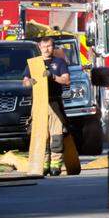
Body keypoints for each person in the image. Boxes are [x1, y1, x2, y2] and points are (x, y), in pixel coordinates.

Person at [22, 34, 71, 176]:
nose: (46, 49)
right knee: (41, 135)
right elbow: (24, 81)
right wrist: (29, 82)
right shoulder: (33, 63)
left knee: (56, 135)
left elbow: (66, 80)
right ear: (39, 47)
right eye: (43, 46)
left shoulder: (60, 63)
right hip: (38, 103)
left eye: (49, 46)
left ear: (53, 47)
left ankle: (56, 165)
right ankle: (43, 164)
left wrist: (53, 76)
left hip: (54, 102)